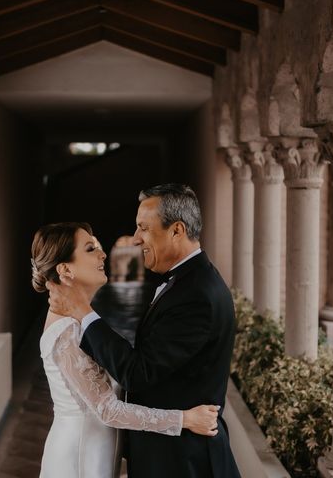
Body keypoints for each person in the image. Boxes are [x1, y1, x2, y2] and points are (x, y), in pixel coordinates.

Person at [47, 184, 241, 478]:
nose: (136, 239)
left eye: (143, 228)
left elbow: (138, 373)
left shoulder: (196, 294)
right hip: (158, 455)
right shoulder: (188, 283)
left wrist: (84, 312)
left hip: (181, 463)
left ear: (176, 231)